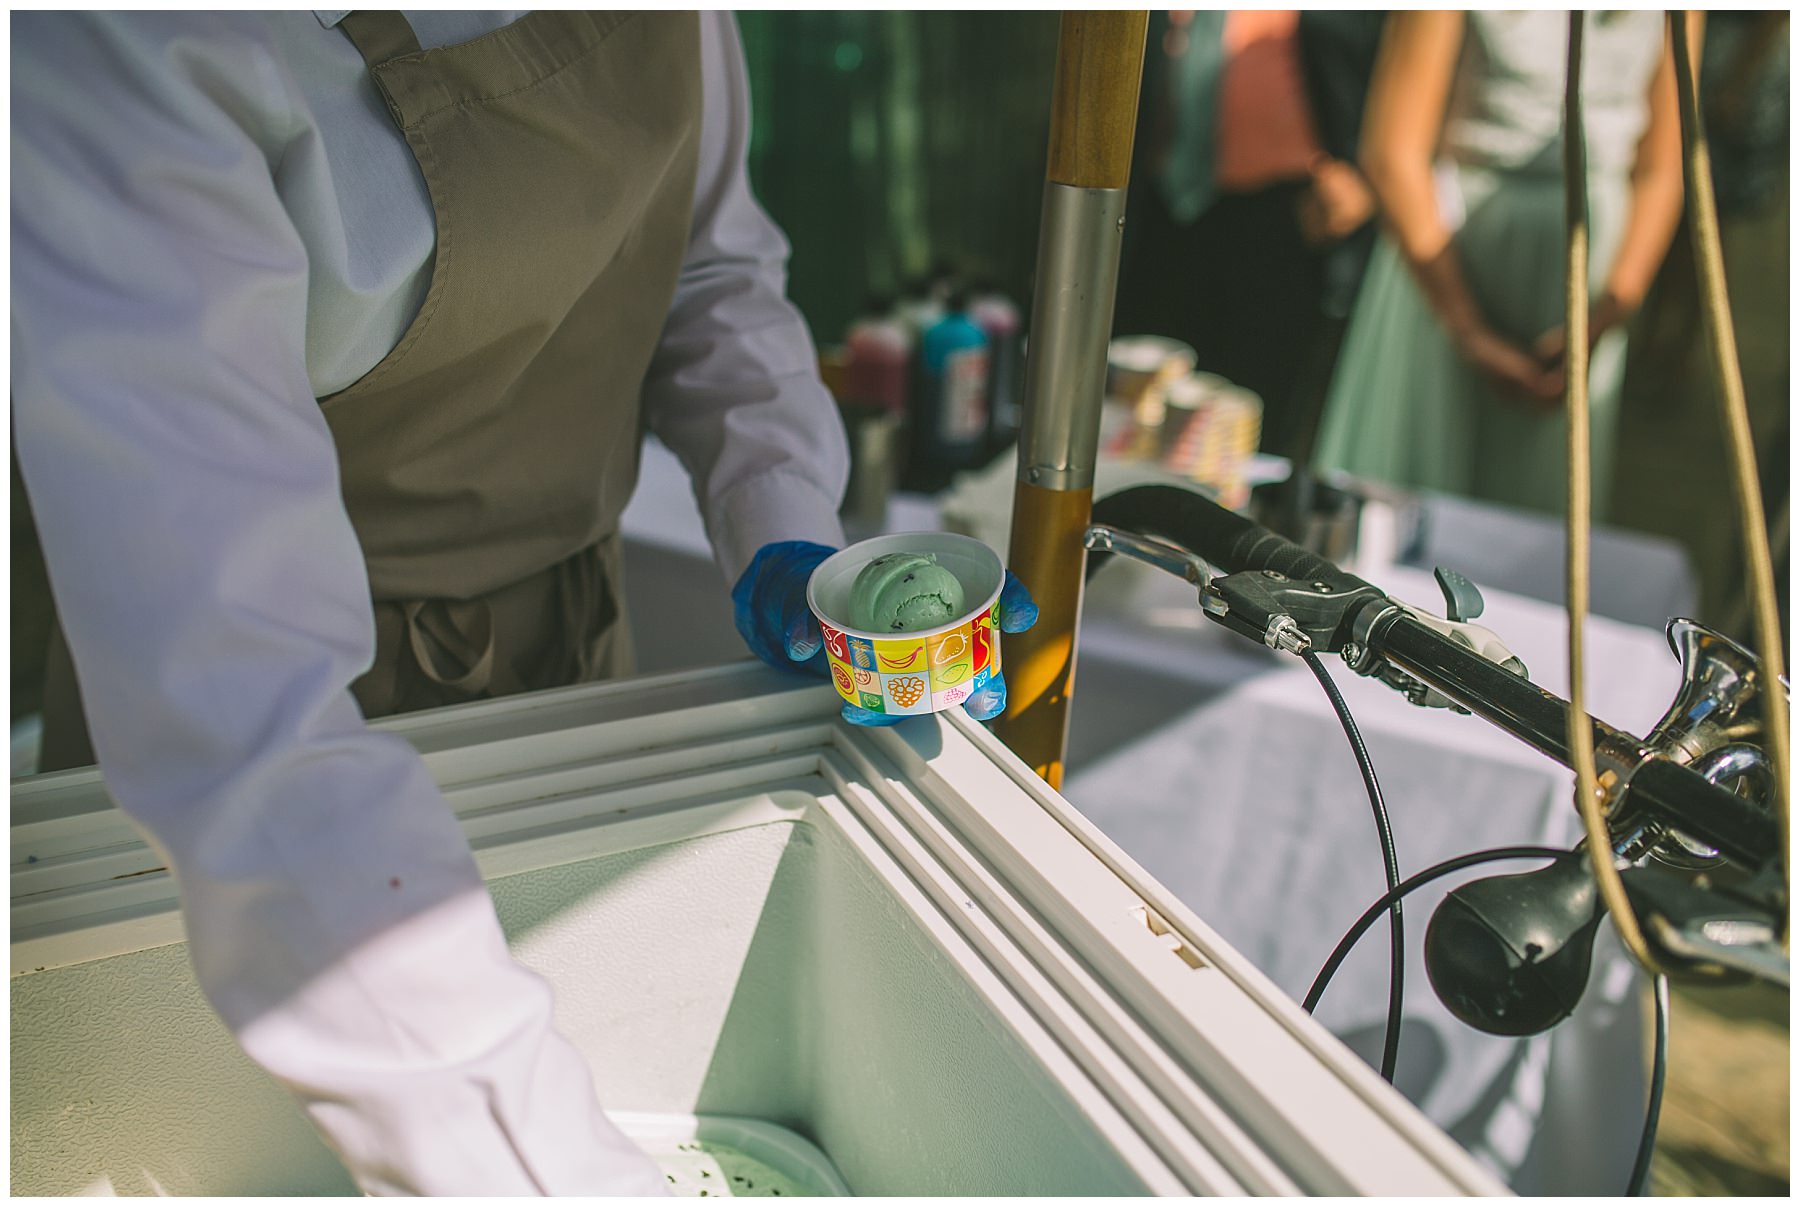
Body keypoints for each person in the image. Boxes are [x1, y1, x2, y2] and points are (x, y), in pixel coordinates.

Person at [12, 11, 1030, 1195]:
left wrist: (788, 519)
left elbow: (710, 269)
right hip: (285, 758)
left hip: (579, 651)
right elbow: (240, 720)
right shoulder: (110, 41)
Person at [1312, 12, 1687, 519]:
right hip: (1448, 260)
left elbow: (1663, 168)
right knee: (1409, 498)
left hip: (1588, 277)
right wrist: (1466, 326)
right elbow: (1392, 153)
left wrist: (1612, 307)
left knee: (1540, 525)